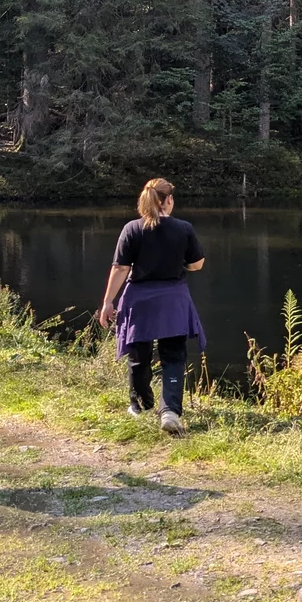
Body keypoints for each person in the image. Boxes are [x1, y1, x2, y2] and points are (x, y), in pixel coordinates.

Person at [96, 178, 205, 436]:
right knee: (174, 356)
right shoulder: (184, 228)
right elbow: (197, 264)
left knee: (138, 357)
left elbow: (121, 268)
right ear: (167, 200)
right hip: (173, 300)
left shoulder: (132, 229)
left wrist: (107, 302)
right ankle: (170, 411)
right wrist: (182, 265)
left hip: (139, 300)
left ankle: (141, 405)